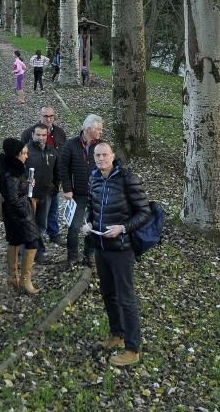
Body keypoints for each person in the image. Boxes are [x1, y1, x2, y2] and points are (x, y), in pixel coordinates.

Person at [81, 142, 151, 367]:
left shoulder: (127, 178)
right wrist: (87, 222)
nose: (101, 159)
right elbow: (91, 207)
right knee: (108, 294)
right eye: (97, 155)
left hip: (121, 248)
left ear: (112, 156)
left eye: (104, 155)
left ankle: (132, 348)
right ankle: (116, 334)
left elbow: (144, 212)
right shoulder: (94, 178)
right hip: (101, 247)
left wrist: (123, 228)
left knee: (125, 297)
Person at [58, 114, 104, 267]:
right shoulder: (71, 145)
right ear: (89, 129)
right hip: (77, 194)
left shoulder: (101, 146)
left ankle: (88, 255)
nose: (101, 132)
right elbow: (62, 167)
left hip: (97, 194)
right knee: (74, 226)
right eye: (98, 129)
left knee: (93, 225)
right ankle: (72, 257)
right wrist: (67, 188)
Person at [0, 138, 41, 294]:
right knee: (33, 241)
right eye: (24, 153)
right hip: (19, 213)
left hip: (15, 213)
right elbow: (12, 197)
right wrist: (26, 214)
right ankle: (24, 280)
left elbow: (16, 191)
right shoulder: (11, 173)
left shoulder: (15, 169)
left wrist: (27, 185)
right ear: (16, 154)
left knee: (14, 240)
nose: (26, 156)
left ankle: (13, 278)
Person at [21, 106, 68, 247]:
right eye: (46, 116)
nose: (48, 118)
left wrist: (58, 183)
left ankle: (52, 235)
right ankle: (31, 249)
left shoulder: (59, 135)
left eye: (51, 116)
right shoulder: (27, 136)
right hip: (31, 190)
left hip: (50, 185)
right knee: (30, 221)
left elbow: (61, 161)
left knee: (49, 214)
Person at [25, 124, 60, 264]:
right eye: (38, 135)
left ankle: (36, 251)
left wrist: (55, 187)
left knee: (41, 225)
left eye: (43, 135)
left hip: (46, 195)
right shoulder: (25, 150)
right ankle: (29, 252)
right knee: (28, 224)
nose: (41, 138)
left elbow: (57, 172)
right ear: (33, 134)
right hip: (28, 196)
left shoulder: (52, 151)